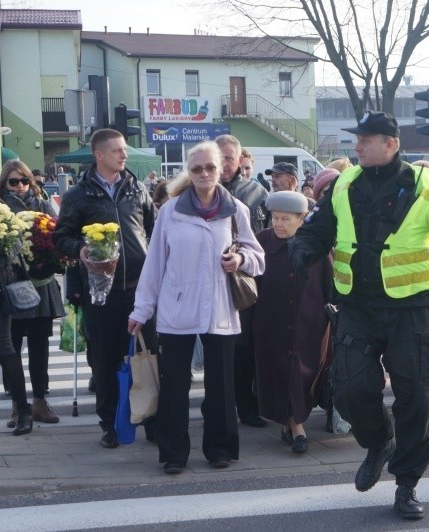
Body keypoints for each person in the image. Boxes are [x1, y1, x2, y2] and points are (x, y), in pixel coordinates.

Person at [289, 112, 429, 520]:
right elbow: (316, 229)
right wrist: (302, 249)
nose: (356, 146)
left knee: (417, 400)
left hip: (414, 309)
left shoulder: (427, 185)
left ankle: (407, 483)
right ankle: (379, 441)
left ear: (390, 144)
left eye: (365, 139)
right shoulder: (343, 184)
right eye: (356, 139)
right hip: (357, 308)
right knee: (350, 391)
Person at [128, 141, 265, 474]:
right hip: (177, 310)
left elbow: (259, 258)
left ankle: (220, 449)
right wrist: (141, 309)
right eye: (197, 168)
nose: (204, 173)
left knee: (221, 387)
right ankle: (174, 453)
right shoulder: (171, 211)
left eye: (210, 167)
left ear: (221, 169)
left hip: (220, 309)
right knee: (175, 386)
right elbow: (155, 263)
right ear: (188, 173)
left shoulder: (236, 210)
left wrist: (241, 259)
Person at [53, 128, 158, 448]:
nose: (124, 155)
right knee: (106, 359)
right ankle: (111, 424)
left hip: (138, 289)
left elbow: (154, 232)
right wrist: (81, 250)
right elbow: (61, 237)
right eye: (117, 151)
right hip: (100, 292)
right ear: (99, 155)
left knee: (147, 356)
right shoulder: (78, 195)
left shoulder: (138, 189)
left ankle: (152, 419)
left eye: (124, 150)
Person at [252, 191, 332, 454]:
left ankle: (292, 423)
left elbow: (329, 283)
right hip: (270, 323)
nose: (278, 224)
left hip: (310, 325)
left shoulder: (316, 245)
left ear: (302, 218)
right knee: (280, 374)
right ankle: (297, 428)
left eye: (285, 219)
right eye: (274, 218)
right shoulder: (262, 241)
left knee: (302, 374)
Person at [0, 160, 64, 424]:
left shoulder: (43, 203)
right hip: (11, 284)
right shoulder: (1, 208)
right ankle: (18, 404)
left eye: (25, 180)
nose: (21, 186)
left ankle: (40, 400)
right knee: (10, 346)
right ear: (4, 183)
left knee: (40, 345)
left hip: (41, 281)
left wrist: (52, 254)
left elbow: (58, 233)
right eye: (14, 181)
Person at [215, 134, 269, 429]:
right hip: (209, 282)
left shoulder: (256, 191)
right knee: (216, 347)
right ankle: (219, 404)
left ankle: (247, 407)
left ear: (239, 160)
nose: (223, 164)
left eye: (229, 158)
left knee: (245, 347)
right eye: (218, 157)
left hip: (245, 281)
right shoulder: (198, 188)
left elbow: (268, 236)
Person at [0, 207, 33, 436]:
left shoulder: (3, 215)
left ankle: (23, 410)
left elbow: (13, 250)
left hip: (0, 289)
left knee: (4, 347)